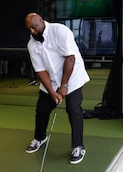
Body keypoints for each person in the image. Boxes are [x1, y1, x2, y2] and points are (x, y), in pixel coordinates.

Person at [24, 13, 90, 164]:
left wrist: (64, 85)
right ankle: (40, 137)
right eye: (29, 29)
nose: (32, 32)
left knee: (73, 110)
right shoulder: (32, 45)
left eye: (34, 27)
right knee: (41, 110)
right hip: (51, 81)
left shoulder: (60, 31)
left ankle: (78, 146)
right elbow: (40, 70)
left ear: (41, 21)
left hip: (72, 77)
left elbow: (70, 58)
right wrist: (52, 92)